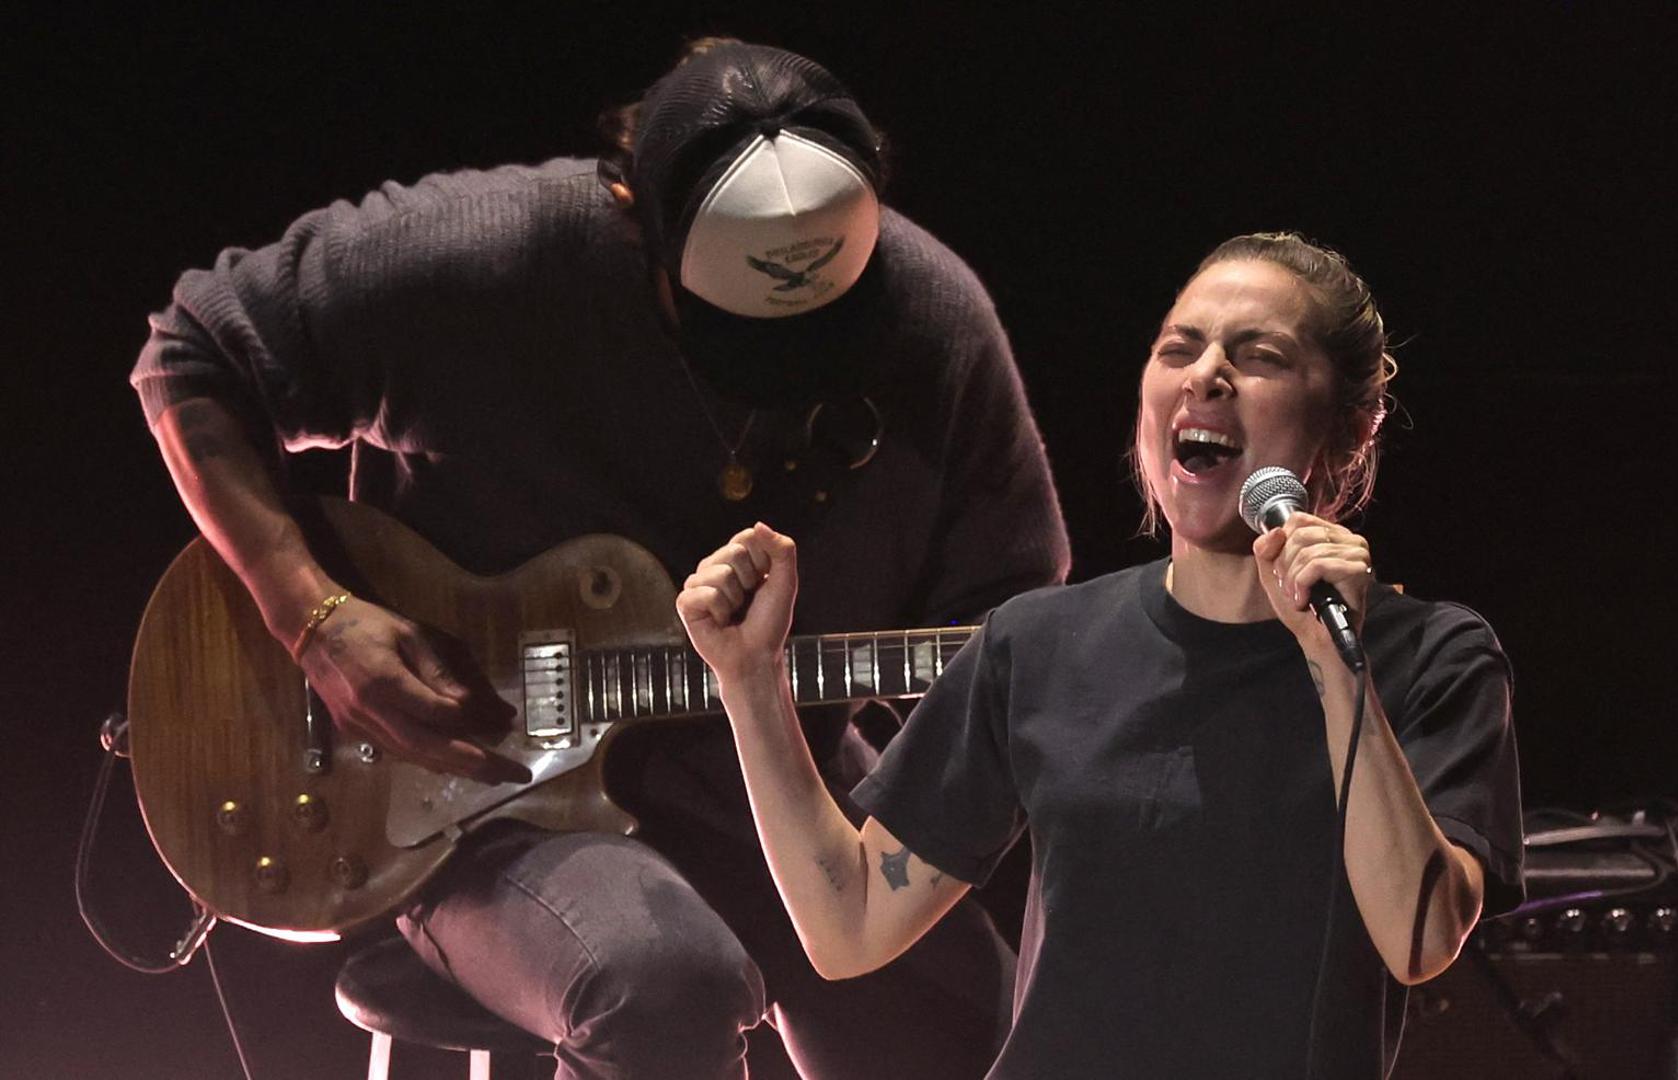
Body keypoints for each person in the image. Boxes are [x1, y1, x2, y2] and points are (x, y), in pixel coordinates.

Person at [130, 40, 1070, 1080]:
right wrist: (311, 617)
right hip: (471, 794)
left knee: (990, 1032)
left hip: (772, 775)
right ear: (636, 223)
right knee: (661, 983)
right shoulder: (495, 256)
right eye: (728, 338)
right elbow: (191, 350)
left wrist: (916, 849)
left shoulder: (931, 321)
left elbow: (1008, 631)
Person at [680, 233, 1524, 1078]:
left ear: (1346, 427)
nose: (1205, 375)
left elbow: (1420, 938)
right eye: (1179, 349)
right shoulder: (1040, 645)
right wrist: (750, 681)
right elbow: (851, 923)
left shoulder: (1429, 658)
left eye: (1259, 356)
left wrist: (1334, 664)